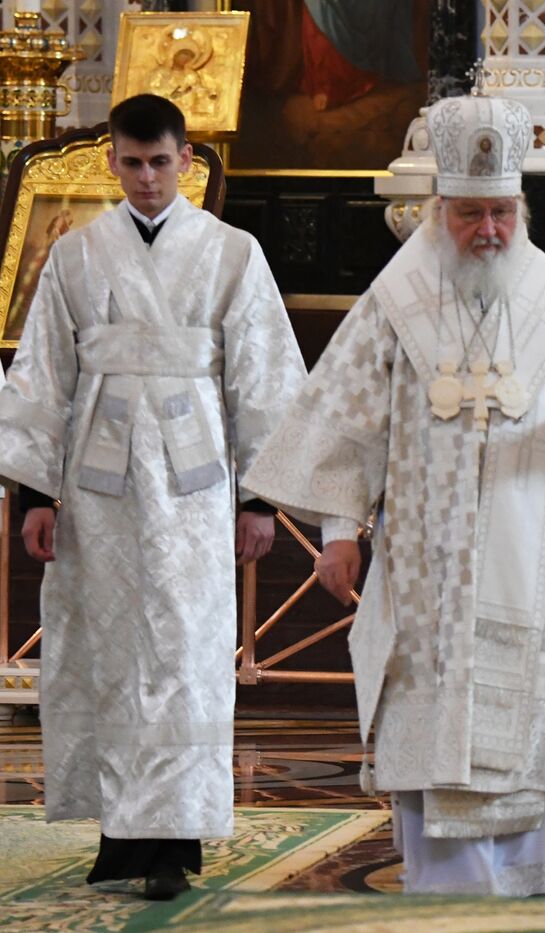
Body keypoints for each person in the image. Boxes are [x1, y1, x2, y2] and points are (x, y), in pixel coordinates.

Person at [243, 93, 545, 897]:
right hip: (425, 569)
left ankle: (521, 887)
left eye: (501, 211)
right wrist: (339, 530)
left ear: (520, 209)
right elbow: (349, 423)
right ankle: (441, 894)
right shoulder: (393, 304)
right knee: (426, 720)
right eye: (470, 214)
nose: (488, 230)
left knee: (529, 710)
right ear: (439, 210)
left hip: (537, 558)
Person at [0, 93, 306, 899]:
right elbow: (42, 376)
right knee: (109, 646)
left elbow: (266, 379)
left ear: (186, 161)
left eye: (160, 162)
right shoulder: (74, 254)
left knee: (185, 648)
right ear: (112, 160)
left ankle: (173, 837)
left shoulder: (232, 252)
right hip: (97, 486)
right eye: (131, 163)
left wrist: (260, 499)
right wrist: (35, 492)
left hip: (195, 481)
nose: (145, 178)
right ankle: (120, 834)